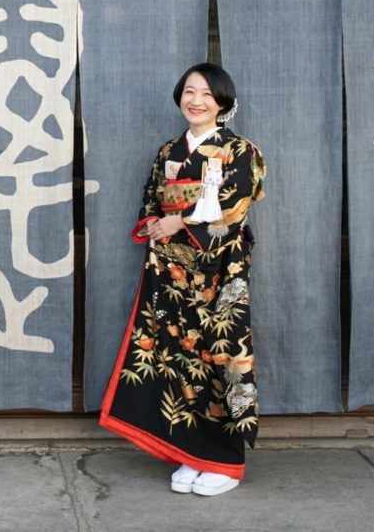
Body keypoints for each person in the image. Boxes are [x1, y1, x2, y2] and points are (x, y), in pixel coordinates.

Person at [99, 62, 266, 497]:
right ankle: (190, 454)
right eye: (190, 91)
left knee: (218, 357)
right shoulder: (169, 152)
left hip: (218, 274)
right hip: (171, 275)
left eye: (207, 94)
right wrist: (156, 224)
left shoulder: (239, 150)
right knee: (175, 359)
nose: (196, 101)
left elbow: (234, 207)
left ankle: (226, 463)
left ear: (223, 103)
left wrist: (180, 221)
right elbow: (150, 200)